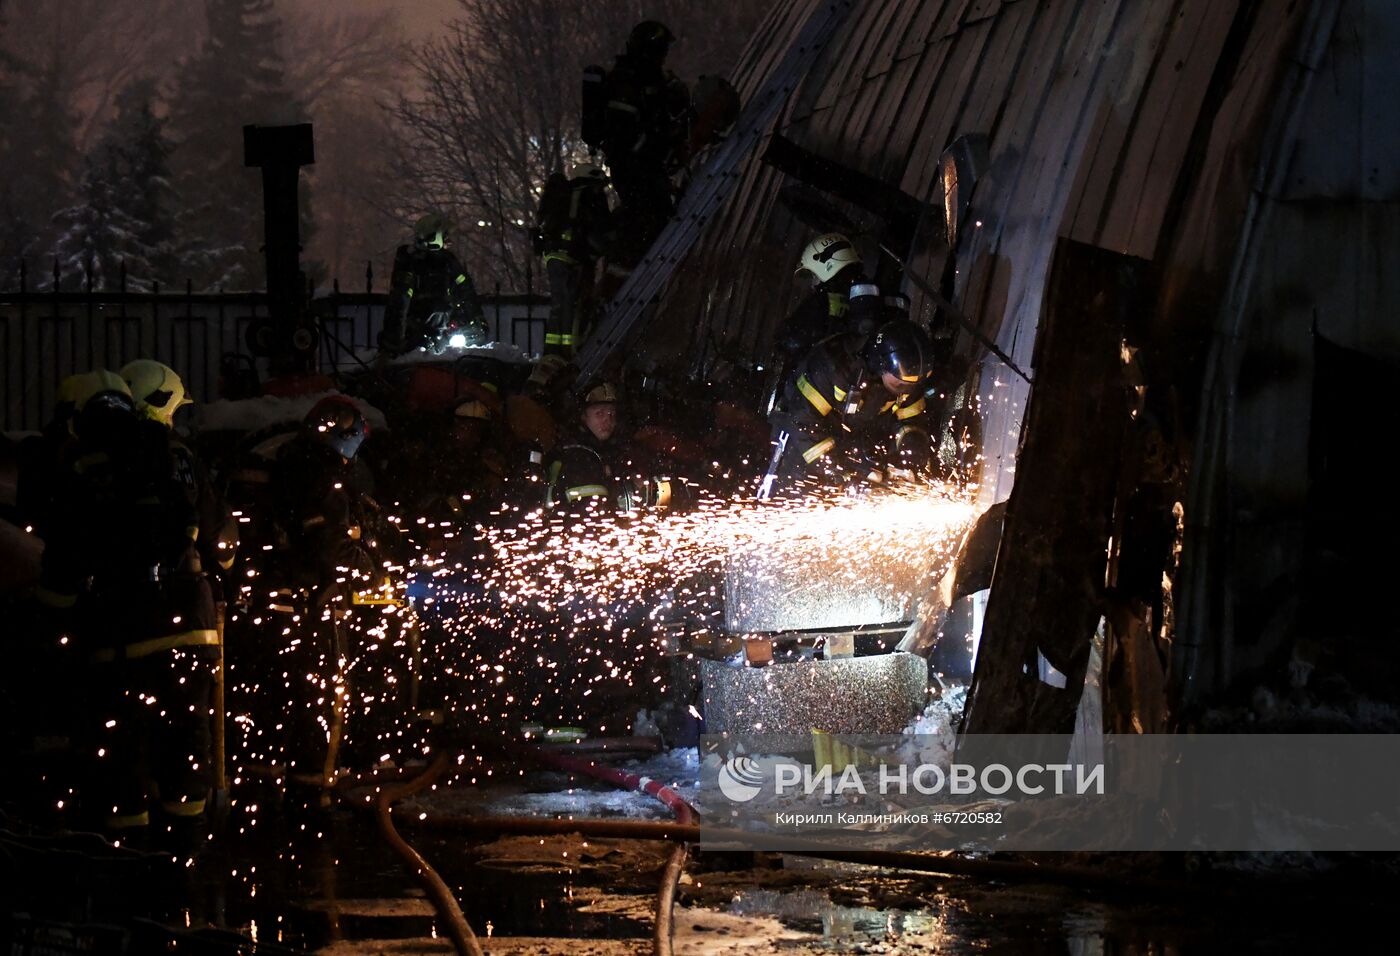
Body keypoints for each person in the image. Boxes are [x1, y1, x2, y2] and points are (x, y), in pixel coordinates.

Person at [35, 370, 221, 844]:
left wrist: (52, 621)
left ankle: (130, 859)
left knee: (125, 750)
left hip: (122, 633)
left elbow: (66, 562)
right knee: (187, 741)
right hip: (192, 626)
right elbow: (214, 534)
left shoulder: (84, 467)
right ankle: (184, 849)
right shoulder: (176, 455)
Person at [761, 320, 937, 498]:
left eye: (913, 384)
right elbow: (804, 421)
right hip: (802, 439)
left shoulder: (907, 378)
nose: (906, 389)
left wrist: (912, 451)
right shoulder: (834, 365)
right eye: (899, 383)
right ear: (882, 363)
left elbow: (912, 421)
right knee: (800, 494)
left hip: (851, 436)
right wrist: (840, 473)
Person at [585, 21, 691, 264]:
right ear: (648, 50)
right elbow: (627, 132)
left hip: (642, 165)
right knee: (648, 216)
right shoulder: (627, 82)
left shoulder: (646, 80)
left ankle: (626, 259)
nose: (664, 58)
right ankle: (620, 259)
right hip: (632, 166)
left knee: (652, 215)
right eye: (661, 51)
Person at [761, 234, 883, 416]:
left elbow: (791, 340)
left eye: (814, 275)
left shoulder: (821, 301)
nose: (813, 282)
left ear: (827, 265)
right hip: (855, 395)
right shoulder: (870, 298)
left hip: (817, 392)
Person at [535, 163, 615, 359]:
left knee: (560, 304)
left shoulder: (567, 194)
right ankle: (569, 352)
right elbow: (600, 229)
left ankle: (553, 351)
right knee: (571, 303)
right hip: (572, 255)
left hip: (554, 252)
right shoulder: (590, 195)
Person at [380, 213, 488, 355]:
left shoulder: (448, 262)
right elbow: (400, 301)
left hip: (445, 336)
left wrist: (477, 321)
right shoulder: (411, 262)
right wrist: (395, 339)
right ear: (433, 237)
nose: (448, 240)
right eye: (445, 235)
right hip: (416, 338)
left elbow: (466, 292)